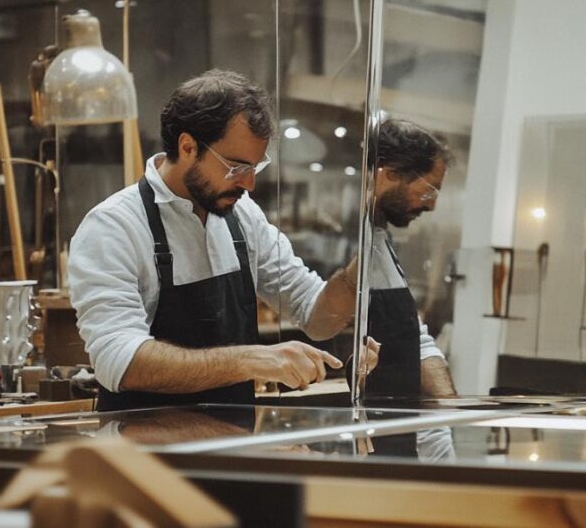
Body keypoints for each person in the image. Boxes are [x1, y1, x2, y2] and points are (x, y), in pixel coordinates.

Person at [69, 69, 373, 412]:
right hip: (146, 455)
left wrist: (363, 261)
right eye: (236, 167)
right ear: (187, 147)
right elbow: (118, 362)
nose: (249, 184)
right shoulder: (114, 227)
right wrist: (250, 360)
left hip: (229, 447)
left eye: (255, 168)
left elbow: (315, 317)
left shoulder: (244, 216)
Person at [364, 119, 457, 400]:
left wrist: (448, 411)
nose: (431, 205)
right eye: (429, 191)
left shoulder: (379, 239)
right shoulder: (355, 245)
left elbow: (413, 337)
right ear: (389, 174)